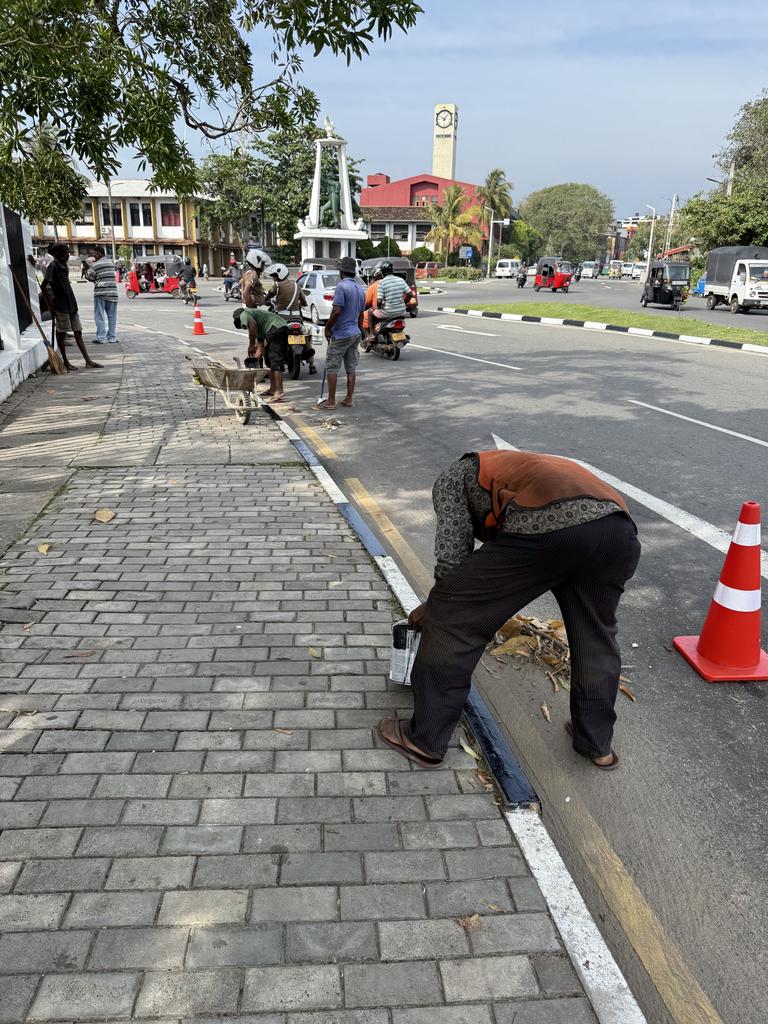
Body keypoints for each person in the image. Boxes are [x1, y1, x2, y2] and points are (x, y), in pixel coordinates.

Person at [378, 450, 641, 772]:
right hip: (618, 534)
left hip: (549, 528)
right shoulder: (515, 468)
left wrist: (438, 603)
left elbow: (453, 549)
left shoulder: (451, 479)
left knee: (452, 617)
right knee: (595, 638)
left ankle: (425, 739)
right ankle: (596, 744)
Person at [42, 244, 102, 371]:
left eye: (68, 254)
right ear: (57, 254)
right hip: (60, 305)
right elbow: (44, 286)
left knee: (78, 331)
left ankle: (88, 360)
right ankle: (65, 361)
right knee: (62, 333)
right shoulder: (53, 266)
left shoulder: (64, 266)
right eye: (65, 254)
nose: (68, 256)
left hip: (71, 303)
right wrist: (51, 306)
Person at [319, 256, 365, 411]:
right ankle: (348, 399)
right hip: (355, 333)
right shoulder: (360, 288)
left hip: (342, 334)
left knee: (332, 367)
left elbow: (336, 311)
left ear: (341, 271)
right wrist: (360, 332)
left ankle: (331, 401)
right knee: (351, 367)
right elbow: (361, 315)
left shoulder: (341, 286)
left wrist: (327, 327)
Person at [234, 305, 290, 403]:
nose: (245, 328)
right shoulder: (257, 322)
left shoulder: (244, 314)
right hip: (273, 329)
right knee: (268, 360)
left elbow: (252, 325)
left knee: (275, 359)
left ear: (239, 319)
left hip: (276, 328)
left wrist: (251, 345)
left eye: (244, 326)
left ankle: (279, 391)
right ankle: (273, 389)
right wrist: (257, 354)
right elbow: (260, 344)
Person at [86, 245, 119, 344]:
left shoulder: (96, 265)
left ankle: (101, 338)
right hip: (113, 293)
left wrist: (89, 267)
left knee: (99, 316)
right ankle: (112, 337)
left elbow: (89, 277)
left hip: (100, 293)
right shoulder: (111, 263)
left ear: (100, 253)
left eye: (95, 254)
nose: (94, 256)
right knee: (112, 316)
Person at [374, 261, 412, 330]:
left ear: (382, 272)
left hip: (388, 312)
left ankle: (372, 334)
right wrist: (404, 302)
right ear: (392, 271)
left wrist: (379, 308)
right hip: (402, 312)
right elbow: (410, 294)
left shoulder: (382, 283)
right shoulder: (401, 280)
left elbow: (379, 301)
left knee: (371, 312)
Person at [362, 265, 383, 345]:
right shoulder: (388, 283)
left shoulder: (373, 286)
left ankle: (370, 336)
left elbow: (366, 302)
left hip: (379, 312)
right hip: (393, 311)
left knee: (364, 315)